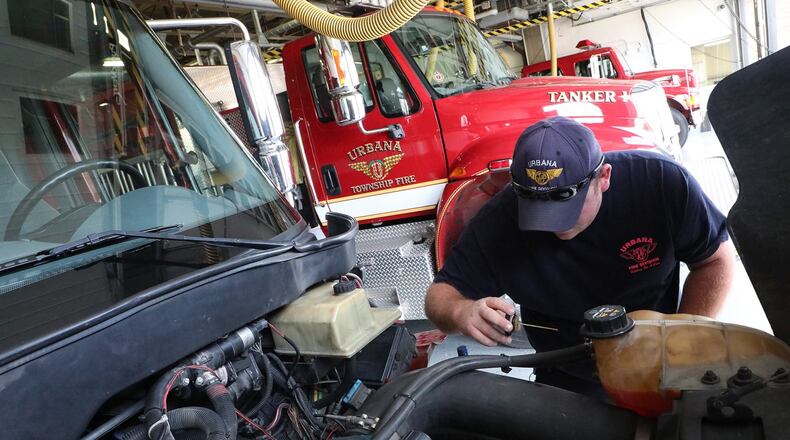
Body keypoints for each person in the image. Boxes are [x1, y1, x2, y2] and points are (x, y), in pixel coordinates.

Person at [425, 116, 735, 396]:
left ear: (604, 177)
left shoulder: (660, 184)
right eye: (538, 208)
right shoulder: (500, 220)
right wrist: (461, 312)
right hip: (568, 369)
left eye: (565, 205)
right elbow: (440, 295)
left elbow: (714, 261)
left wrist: (683, 338)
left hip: (660, 355)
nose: (555, 225)